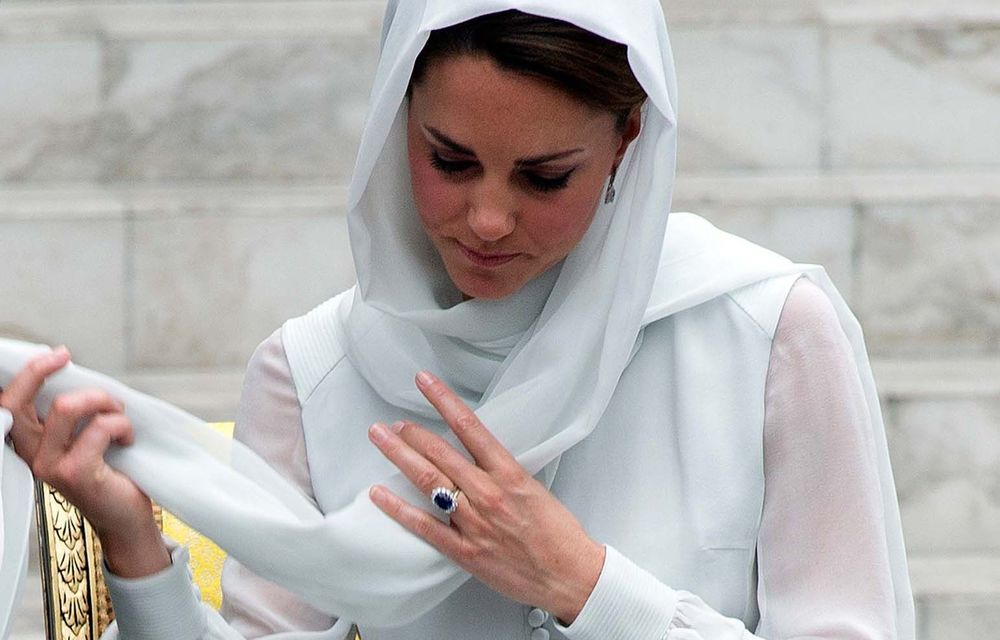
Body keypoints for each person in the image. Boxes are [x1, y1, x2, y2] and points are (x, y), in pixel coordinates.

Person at [0, 1, 915, 638]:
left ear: (629, 139)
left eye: (544, 177)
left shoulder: (767, 332)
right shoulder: (314, 370)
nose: (486, 219)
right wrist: (133, 543)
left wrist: (584, 585)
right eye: (450, 159)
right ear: (399, 116)